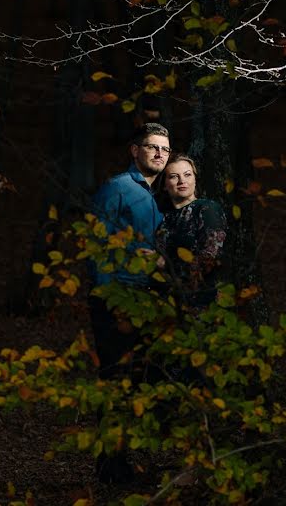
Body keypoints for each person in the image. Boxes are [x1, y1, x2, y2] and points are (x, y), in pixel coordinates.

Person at [88, 122, 170, 483]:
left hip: (146, 302)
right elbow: (97, 246)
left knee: (139, 378)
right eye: (152, 147)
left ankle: (123, 459)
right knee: (117, 379)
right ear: (134, 150)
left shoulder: (157, 196)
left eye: (165, 150)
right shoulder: (117, 188)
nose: (159, 154)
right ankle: (111, 466)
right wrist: (109, 298)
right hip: (118, 299)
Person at [155, 153, 227, 312]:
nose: (182, 181)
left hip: (201, 302)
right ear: (165, 185)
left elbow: (210, 256)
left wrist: (166, 263)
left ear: (195, 179)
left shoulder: (206, 209)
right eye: (174, 176)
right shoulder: (164, 216)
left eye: (187, 175)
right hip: (167, 303)